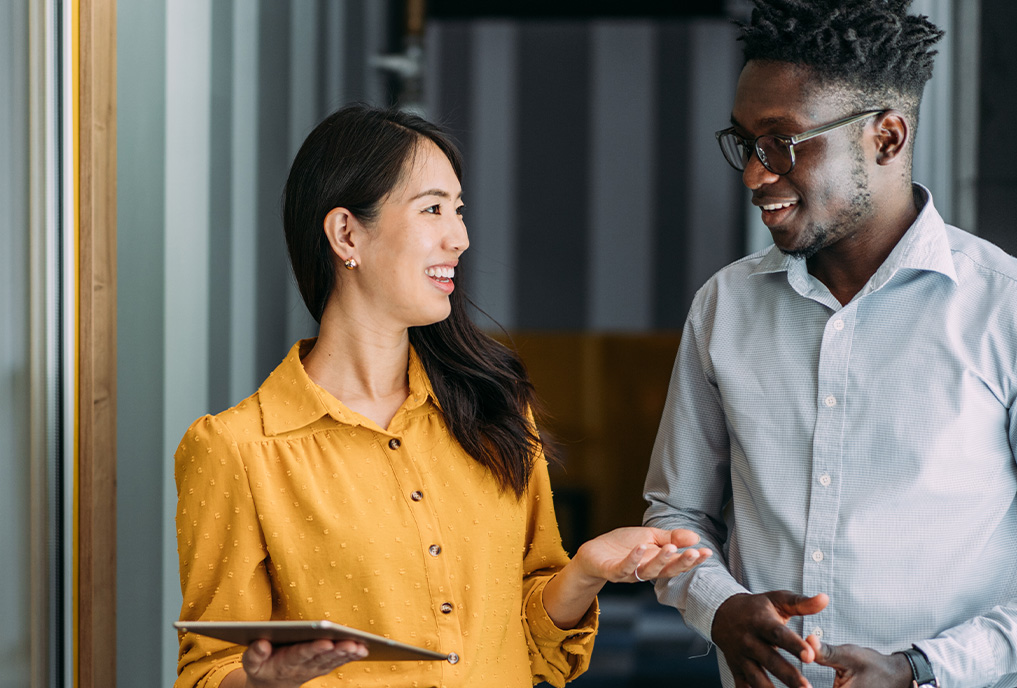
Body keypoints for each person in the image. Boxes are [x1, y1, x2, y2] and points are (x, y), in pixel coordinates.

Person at [642, 2, 1017, 687]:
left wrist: (921, 671)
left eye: (783, 142)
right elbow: (677, 515)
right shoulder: (724, 307)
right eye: (746, 144)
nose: (755, 175)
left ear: (886, 138)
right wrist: (719, 605)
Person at [174, 104, 712, 688]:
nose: (460, 237)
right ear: (346, 232)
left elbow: (531, 646)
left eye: (457, 211)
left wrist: (584, 571)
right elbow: (210, 668)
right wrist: (264, 682)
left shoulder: (496, 410)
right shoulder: (235, 449)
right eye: (432, 209)